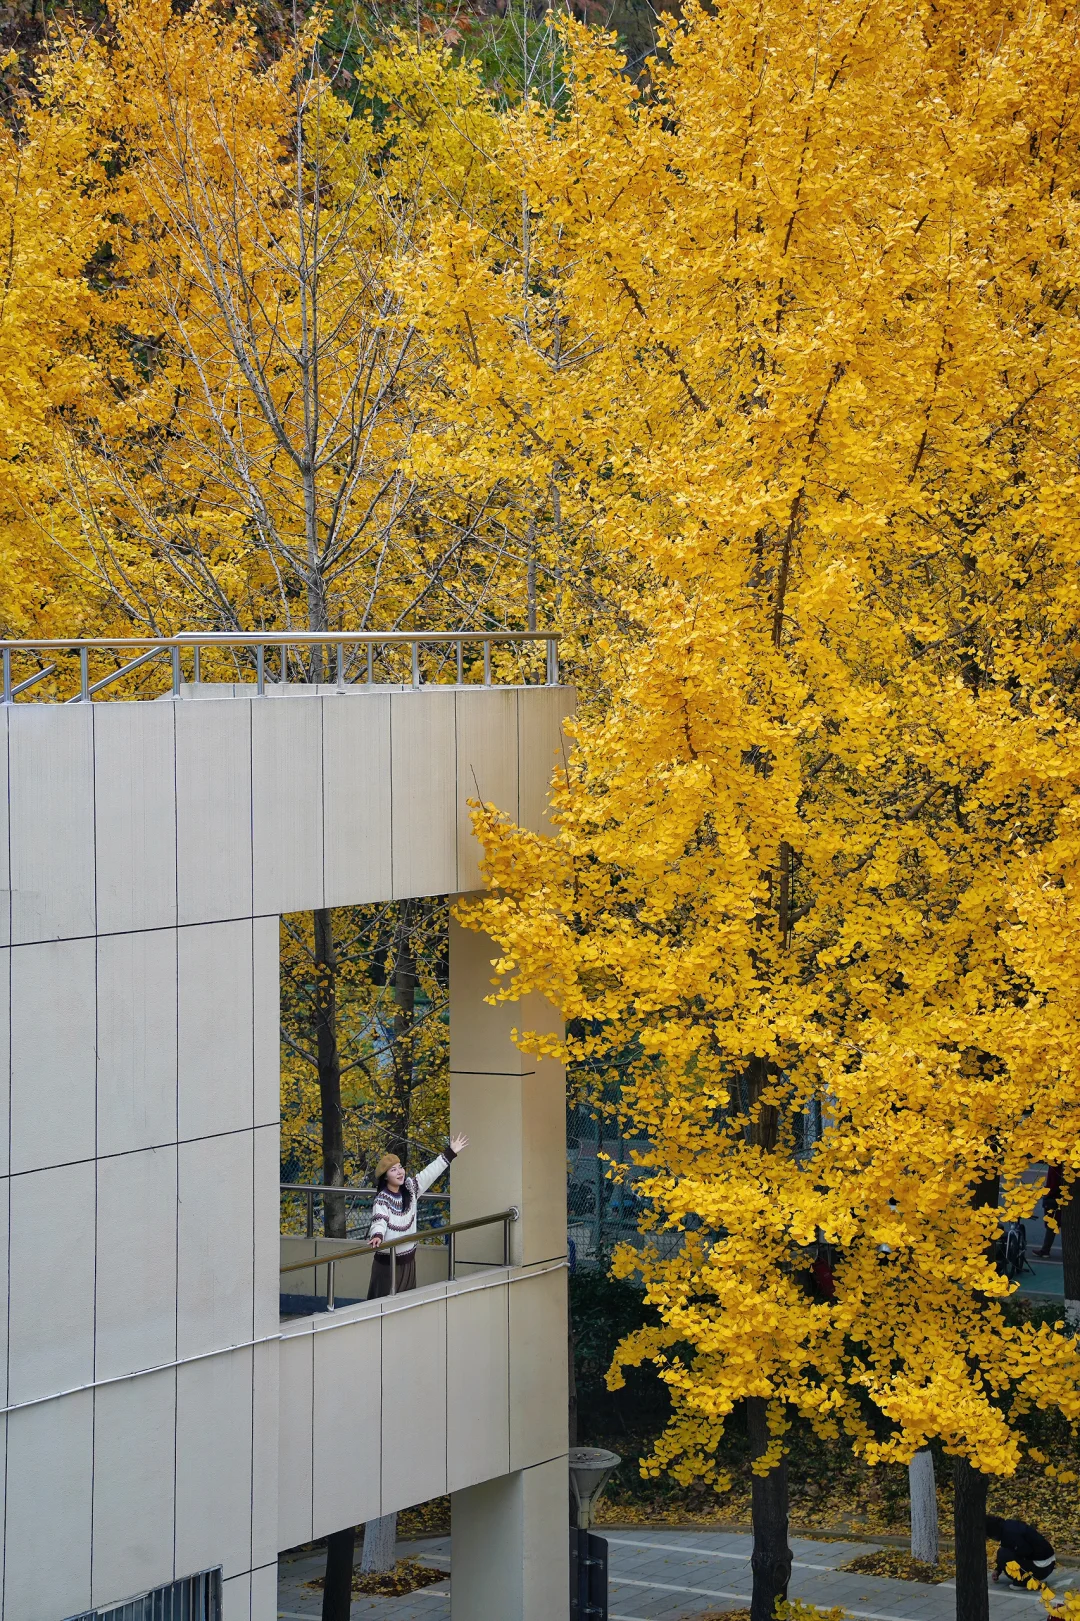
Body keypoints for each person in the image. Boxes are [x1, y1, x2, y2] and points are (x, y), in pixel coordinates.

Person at [366, 1133, 469, 1298]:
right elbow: (380, 1220)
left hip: (408, 1261)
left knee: (406, 1302)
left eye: (400, 1167)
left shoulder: (411, 1188)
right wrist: (377, 1235)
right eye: (393, 1170)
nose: (400, 1172)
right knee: (383, 1303)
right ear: (385, 1177)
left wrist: (450, 1152)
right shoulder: (382, 1199)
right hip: (387, 1264)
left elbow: (430, 1172)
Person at [986, 1515, 1055, 1586]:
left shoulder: (1009, 1535)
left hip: (1042, 1569)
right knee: (1006, 1552)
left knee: (1003, 1554)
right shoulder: (1009, 1524)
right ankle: (1026, 1578)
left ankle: (1023, 1582)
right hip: (1050, 1564)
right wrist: (998, 1570)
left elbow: (1026, 1551)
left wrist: (1010, 1559)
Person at [1036, 1164, 1064, 1257]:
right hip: (1060, 1196)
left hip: (1054, 1197)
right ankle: (1045, 1250)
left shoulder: (1055, 1166)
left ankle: (1045, 1250)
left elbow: (1053, 1183)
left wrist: (1048, 1194)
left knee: (1051, 1224)